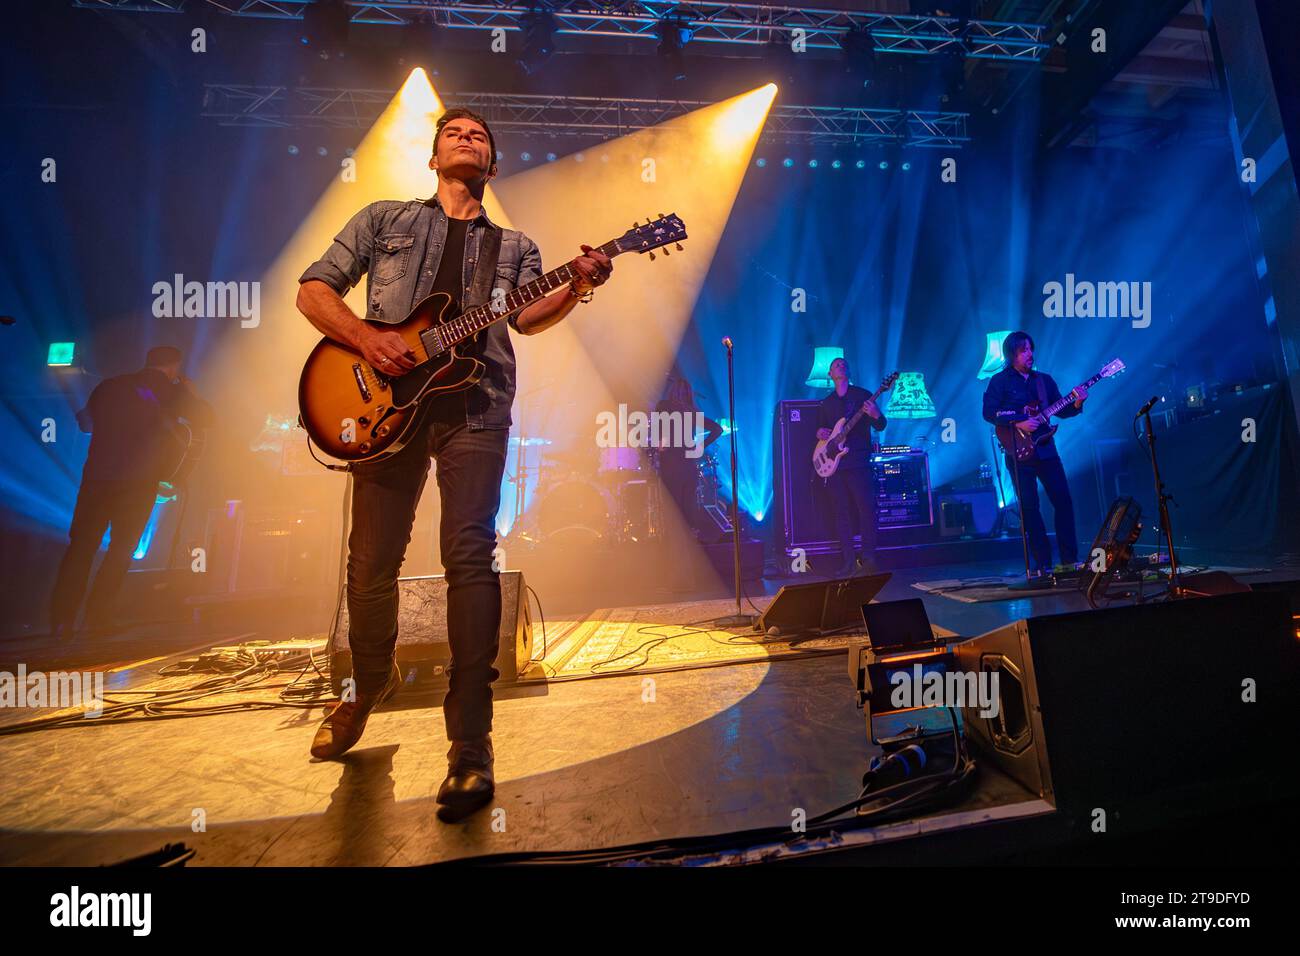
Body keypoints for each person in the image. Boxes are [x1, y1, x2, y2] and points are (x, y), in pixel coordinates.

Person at [296, 106, 614, 818]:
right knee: (369, 565)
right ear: (434, 158)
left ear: (492, 165)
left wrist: (581, 281)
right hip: (382, 409)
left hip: (476, 407)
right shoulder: (385, 220)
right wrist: (367, 340)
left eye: (479, 136)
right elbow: (313, 290)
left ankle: (470, 743)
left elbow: (528, 320)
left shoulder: (516, 246)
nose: (467, 139)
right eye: (453, 134)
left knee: (470, 556)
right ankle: (365, 687)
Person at [49, 345, 213, 638]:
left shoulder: (110, 385)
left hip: (97, 479)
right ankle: (98, 619)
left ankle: (62, 621)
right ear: (174, 367)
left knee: (80, 548)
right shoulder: (173, 392)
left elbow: (84, 423)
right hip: (138, 483)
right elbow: (206, 420)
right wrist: (192, 392)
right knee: (121, 550)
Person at [981, 331, 1088, 576]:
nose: (1029, 354)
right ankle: (1042, 564)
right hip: (1018, 452)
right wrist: (1018, 421)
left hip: (1047, 450)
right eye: (1023, 350)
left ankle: (1069, 560)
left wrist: (1078, 402)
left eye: (1030, 349)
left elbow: (1062, 409)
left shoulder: (1044, 381)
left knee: (1063, 502)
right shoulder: (999, 381)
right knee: (1030, 508)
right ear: (1012, 355)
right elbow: (989, 412)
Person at [816, 357, 887, 576]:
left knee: (866, 509)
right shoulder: (826, 403)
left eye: (844, 363)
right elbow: (820, 432)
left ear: (848, 370)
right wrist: (820, 433)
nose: (840, 364)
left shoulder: (863, 395)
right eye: (835, 364)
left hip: (858, 461)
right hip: (836, 466)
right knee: (841, 513)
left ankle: (868, 558)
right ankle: (847, 560)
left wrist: (875, 414)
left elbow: (881, 424)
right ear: (830, 374)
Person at [654, 377, 723, 536]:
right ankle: (691, 542)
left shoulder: (663, 406)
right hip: (688, 466)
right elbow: (717, 429)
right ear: (689, 394)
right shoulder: (692, 412)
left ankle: (673, 547)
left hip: (671, 466)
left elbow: (659, 435)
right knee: (688, 509)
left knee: (673, 510)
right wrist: (699, 446)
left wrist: (661, 446)